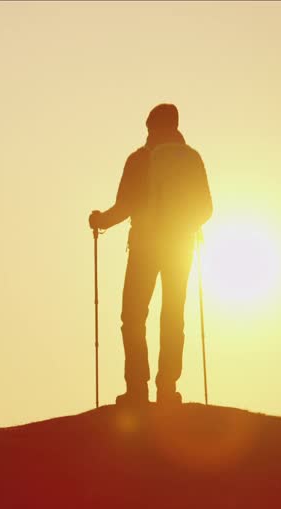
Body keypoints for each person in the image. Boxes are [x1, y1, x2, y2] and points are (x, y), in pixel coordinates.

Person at [89, 103, 212, 406]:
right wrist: (187, 225)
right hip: (180, 247)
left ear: (151, 127)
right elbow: (207, 208)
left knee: (133, 316)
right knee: (173, 315)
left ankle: (137, 389)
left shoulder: (140, 159)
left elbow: (125, 205)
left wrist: (99, 220)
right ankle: (168, 388)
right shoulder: (192, 159)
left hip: (145, 246)